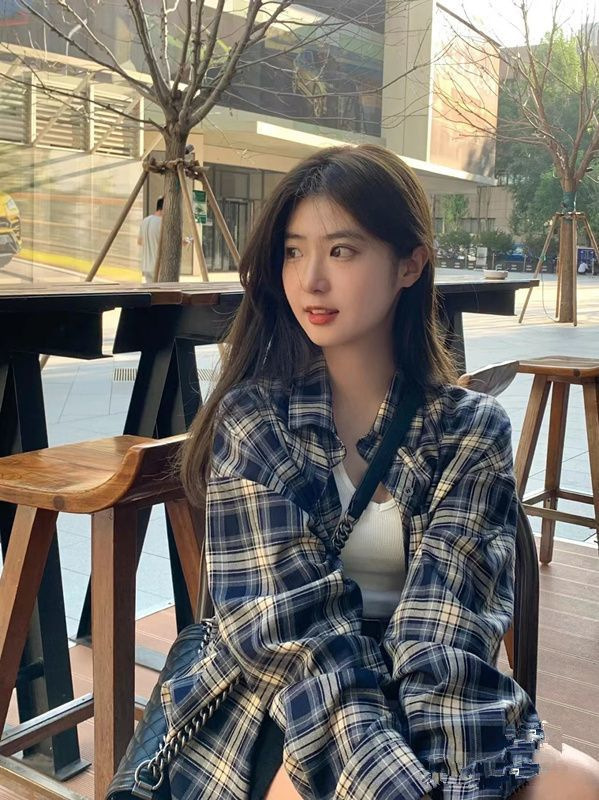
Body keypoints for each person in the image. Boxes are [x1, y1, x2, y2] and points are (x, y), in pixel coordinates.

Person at [169, 145, 599, 799]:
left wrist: (443, 782)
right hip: (284, 706)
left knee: (580, 785)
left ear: (409, 264)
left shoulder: (469, 429)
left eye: (341, 250)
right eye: (293, 251)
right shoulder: (255, 421)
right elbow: (295, 642)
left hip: (436, 704)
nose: (311, 280)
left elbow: (446, 629)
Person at [138, 196, 163, 282]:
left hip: (146, 266)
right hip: (158, 267)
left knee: (151, 289)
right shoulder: (162, 223)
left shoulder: (145, 220)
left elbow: (139, 241)